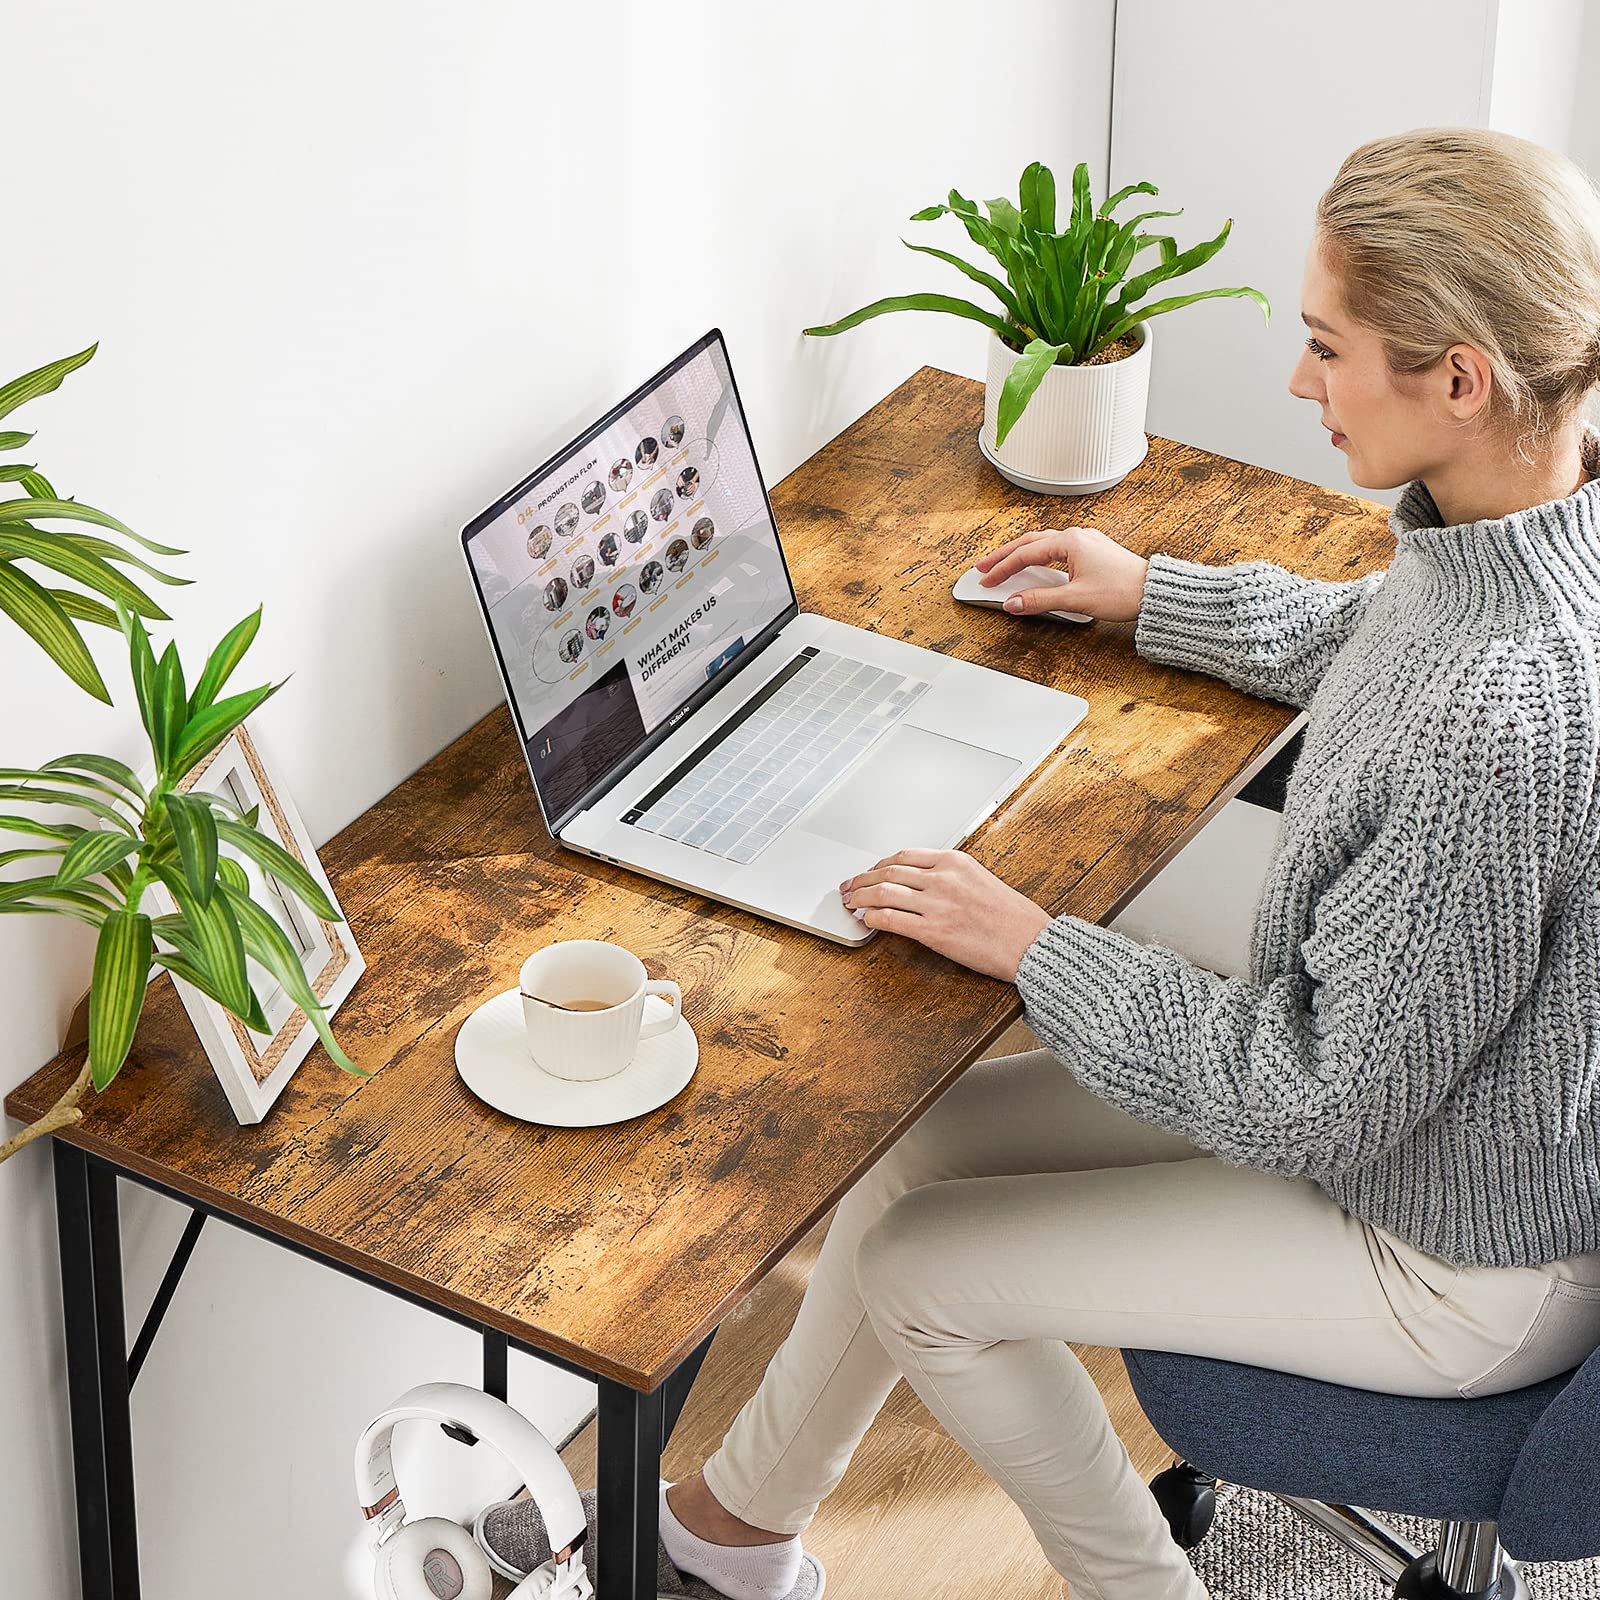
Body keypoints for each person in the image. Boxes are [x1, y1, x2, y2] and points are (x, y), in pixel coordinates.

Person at [480, 126, 1600, 1600]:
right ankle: (733, 1535)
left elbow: (1321, 1099)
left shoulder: (1498, 715)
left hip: (1449, 1253)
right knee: (909, 1145)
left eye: (1328, 350)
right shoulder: (1525, 531)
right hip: (1421, 1131)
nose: (1298, 384)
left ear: (1459, 376)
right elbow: (1377, 641)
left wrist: (1035, 946)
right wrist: (1155, 597)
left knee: (919, 1276)